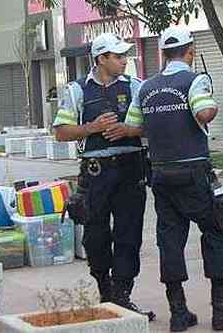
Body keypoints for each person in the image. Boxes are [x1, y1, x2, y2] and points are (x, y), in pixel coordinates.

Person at [124, 25, 223, 332]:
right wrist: (211, 105)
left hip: (160, 173)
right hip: (193, 173)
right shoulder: (195, 79)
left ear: (163, 54)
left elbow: (133, 126)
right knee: (218, 228)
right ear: (191, 52)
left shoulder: (146, 87)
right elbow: (204, 113)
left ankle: (178, 313)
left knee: (169, 241)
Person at [53, 32, 154, 320]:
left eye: (125, 56)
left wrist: (128, 130)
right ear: (101, 59)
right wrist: (92, 127)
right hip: (95, 172)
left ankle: (122, 295)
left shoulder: (136, 86)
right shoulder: (77, 90)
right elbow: (61, 131)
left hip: (130, 168)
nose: (125, 60)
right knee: (96, 235)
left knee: (129, 233)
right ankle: (104, 290)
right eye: (118, 56)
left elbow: (154, 125)